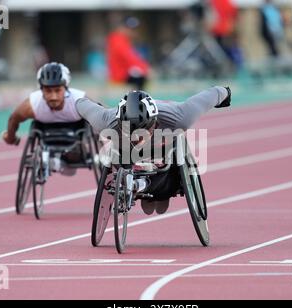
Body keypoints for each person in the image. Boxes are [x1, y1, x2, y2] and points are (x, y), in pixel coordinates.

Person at [74, 84, 231, 214]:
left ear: (154, 121)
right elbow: (81, 105)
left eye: (143, 131)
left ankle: (164, 190)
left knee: (169, 156)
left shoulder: (181, 117)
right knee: (119, 152)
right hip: (129, 153)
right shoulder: (106, 121)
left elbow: (210, 95)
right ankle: (139, 186)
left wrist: (226, 93)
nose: (138, 138)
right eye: (131, 131)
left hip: (165, 147)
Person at [2, 62, 91, 175]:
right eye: (48, 91)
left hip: (76, 137)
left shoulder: (79, 100)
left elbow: (103, 116)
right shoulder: (33, 104)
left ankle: (67, 157)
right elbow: (14, 118)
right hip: (46, 135)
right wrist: (11, 137)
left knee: (72, 166)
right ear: (41, 89)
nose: (53, 96)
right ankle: (54, 160)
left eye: (58, 90)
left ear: (66, 88)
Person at [106, 16, 150, 90]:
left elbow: (133, 58)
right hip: (120, 74)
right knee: (140, 78)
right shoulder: (117, 40)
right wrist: (145, 68)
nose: (133, 32)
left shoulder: (123, 40)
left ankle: (138, 99)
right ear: (122, 28)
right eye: (130, 29)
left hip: (124, 72)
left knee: (140, 76)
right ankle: (138, 100)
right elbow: (129, 58)